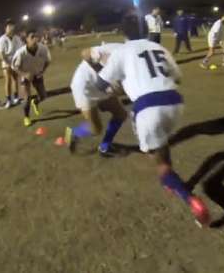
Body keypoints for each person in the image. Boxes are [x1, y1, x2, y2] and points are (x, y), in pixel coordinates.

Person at [96, 12, 211, 227]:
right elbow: (177, 77)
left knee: (158, 161)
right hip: (175, 101)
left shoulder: (121, 51)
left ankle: (191, 200)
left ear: (124, 33)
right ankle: (170, 181)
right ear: (147, 30)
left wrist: (114, 79)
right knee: (161, 142)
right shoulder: (159, 48)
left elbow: (101, 84)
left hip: (148, 107)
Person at [64, 42, 128, 156]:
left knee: (121, 114)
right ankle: (74, 133)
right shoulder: (116, 50)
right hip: (84, 87)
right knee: (95, 129)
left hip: (103, 89)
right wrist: (103, 76)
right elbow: (85, 53)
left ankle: (104, 146)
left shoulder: (135, 63)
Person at [11, 30, 51, 127]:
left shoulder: (43, 49)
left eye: (36, 36)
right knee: (27, 98)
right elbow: (14, 67)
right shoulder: (20, 53)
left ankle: (35, 102)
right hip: (26, 76)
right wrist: (24, 74)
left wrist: (42, 71)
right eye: (32, 37)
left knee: (43, 96)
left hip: (37, 74)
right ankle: (27, 117)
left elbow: (48, 61)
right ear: (26, 40)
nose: (35, 39)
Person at [0, 19, 23, 109]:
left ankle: (16, 97)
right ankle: (9, 100)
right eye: (9, 26)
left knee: (16, 80)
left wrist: (18, 62)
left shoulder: (17, 38)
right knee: (8, 81)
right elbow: (1, 54)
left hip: (15, 62)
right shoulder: (2, 39)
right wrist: (8, 63)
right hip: (6, 63)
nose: (11, 28)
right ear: (5, 28)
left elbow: (20, 50)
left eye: (12, 26)